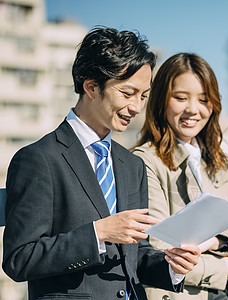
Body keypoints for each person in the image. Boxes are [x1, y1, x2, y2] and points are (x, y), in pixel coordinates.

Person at [2, 28, 200, 300]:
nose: (137, 107)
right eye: (128, 93)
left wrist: (172, 267)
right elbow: (19, 258)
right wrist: (97, 233)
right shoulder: (38, 159)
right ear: (91, 87)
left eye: (143, 96)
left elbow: (136, 258)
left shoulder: (131, 164)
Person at [133, 53, 228, 300]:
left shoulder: (215, 159)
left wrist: (214, 241)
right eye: (180, 98)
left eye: (203, 99)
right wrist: (225, 267)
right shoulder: (145, 161)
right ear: (161, 101)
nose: (193, 110)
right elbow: (158, 247)